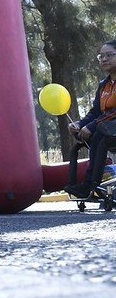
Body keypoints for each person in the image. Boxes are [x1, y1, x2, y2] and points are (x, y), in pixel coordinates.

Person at [65, 40, 116, 199]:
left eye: (109, 55)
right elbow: (95, 111)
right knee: (94, 136)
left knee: (100, 136)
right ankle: (87, 186)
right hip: (106, 129)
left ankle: (90, 186)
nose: (104, 59)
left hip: (109, 130)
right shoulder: (104, 85)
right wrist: (80, 124)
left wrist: (92, 126)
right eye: (101, 56)